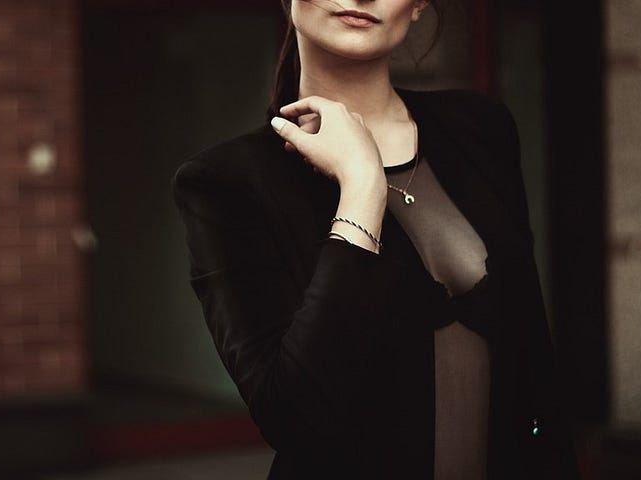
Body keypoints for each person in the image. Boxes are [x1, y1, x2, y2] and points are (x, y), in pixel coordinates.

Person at [171, 1, 579, 478]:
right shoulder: (225, 183)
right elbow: (295, 417)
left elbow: (535, 363)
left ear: (420, 4)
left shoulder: (481, 127)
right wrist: (363, 187)